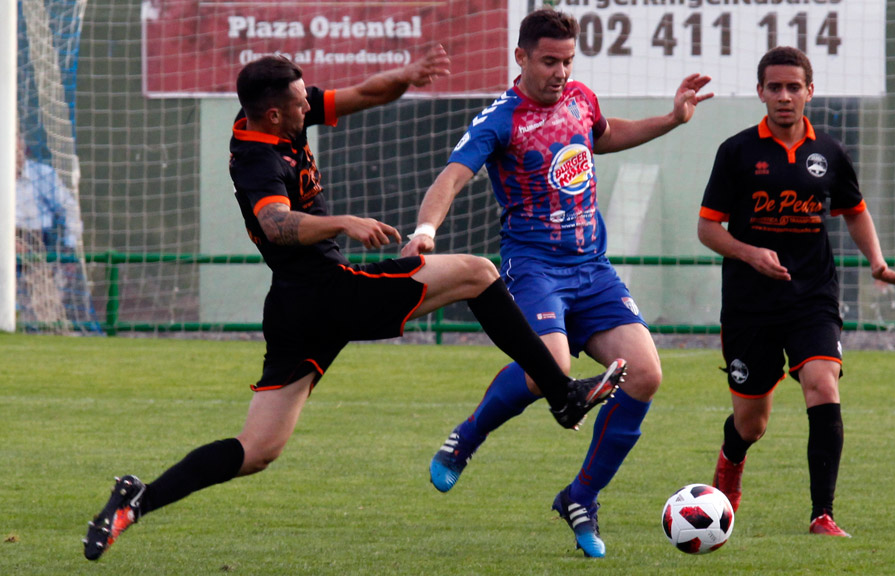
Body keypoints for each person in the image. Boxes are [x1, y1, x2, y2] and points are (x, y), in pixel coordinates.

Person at [82, 45, 627, 562]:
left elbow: (362, 94)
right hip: (329, 291)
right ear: (274, 115)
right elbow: (277, 225)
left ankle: (136, 500)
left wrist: (406, 77)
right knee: (479, 273)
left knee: (258, 448)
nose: (310, 103)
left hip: (296, 308)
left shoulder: (276, 114)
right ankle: (562, 395)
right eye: (300, 102)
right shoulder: (255, 158)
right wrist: (343, 221)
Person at [401, 9, 712, 558]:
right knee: (555, 370)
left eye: (567, 61)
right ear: (520, 58)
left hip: (593, 270)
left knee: (645, 374)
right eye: (549, 61)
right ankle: (465, 439)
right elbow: (451, 176)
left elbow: (605, 137)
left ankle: (581, 497)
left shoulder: (581, 99)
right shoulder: (501, 118)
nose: (561, 71)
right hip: (535, 269)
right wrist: (425, 230)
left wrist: (671, 119)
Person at [697, 46, 895, 537]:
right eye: (774, 87)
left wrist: (878, 264)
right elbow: (708, 229)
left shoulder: (831, 153)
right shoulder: (737, 151)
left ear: (809, 91)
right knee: (752, 423)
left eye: (793, 87)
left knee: (823, 384)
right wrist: (749, 252)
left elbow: (855, 209)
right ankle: (730, 464)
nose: (784, 96)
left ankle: (823, 514)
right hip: (749, 304)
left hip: (812, 296)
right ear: (760, 92)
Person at [15, 128, 87, 325]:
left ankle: (48, 326)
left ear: (24, 149)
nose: (14, 156)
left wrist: (69, 246)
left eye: (17, 149)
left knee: (45, 306)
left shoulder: (42, 176)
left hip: (37, 244)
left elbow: (69, 209)